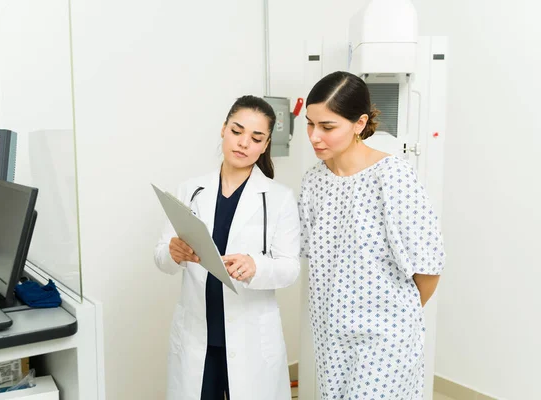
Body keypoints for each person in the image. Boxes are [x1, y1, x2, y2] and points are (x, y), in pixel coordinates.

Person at [299, 71, 445, 399]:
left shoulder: (392, 177)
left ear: (359, 123)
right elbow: (312, 256)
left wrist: (391, 318)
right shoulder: (313, 182)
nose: (314, 136)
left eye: (327, 126)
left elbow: (429, 269)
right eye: (310, 123)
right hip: (331, 336)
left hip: (384, 339)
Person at [154, 95, 300, 400]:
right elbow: (161, 256)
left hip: (250, 339)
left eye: (256, 137)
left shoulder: (279, 198)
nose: (244, 143)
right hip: (198, 338)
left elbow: (289, 268)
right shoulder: (190, 190)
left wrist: (256, 266)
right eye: (237, 131)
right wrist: (173, 252)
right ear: (223, 129)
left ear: (265, 144)